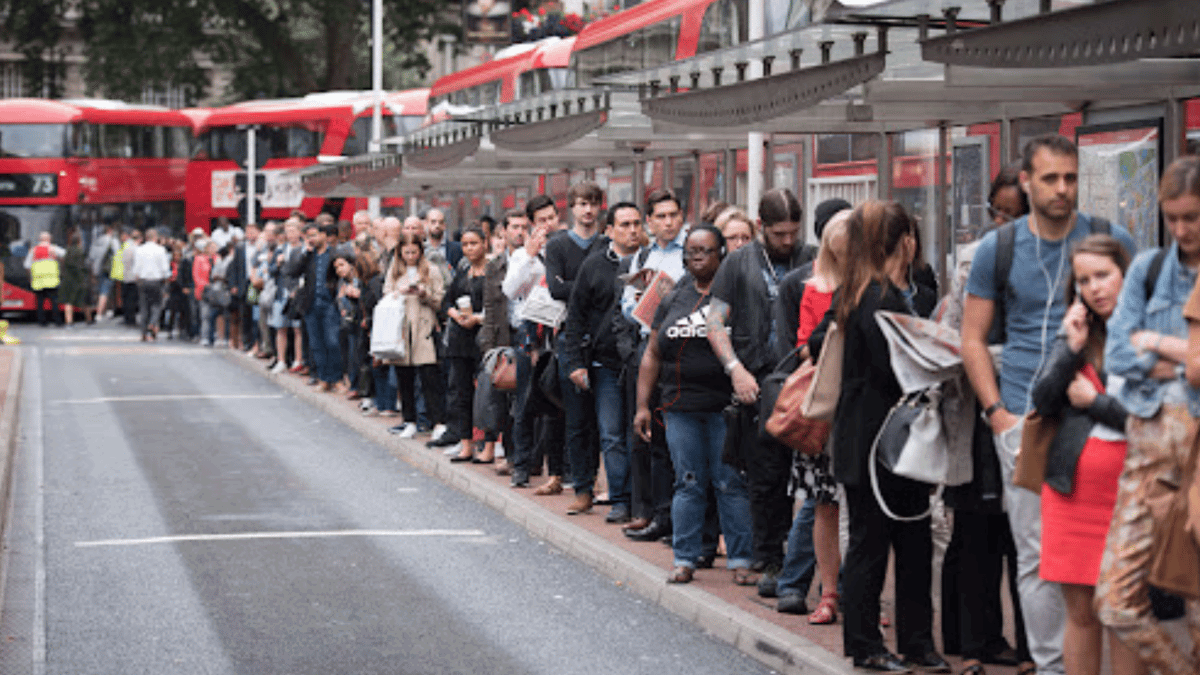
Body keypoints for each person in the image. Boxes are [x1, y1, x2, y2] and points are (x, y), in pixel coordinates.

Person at [961, 134, 1136, 675]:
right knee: (1038, 558)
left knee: (1115, 558)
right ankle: (1051, 666)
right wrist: (997, 414)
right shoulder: (1001, 247)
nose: (1063, 189)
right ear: (1026, 182)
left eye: (1071, 177)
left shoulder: (1109, 239)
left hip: (1102, 417)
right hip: (1028, 418)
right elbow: (972, 335)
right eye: (1051, 178)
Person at [807, 200, 942, 673]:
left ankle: (917, 641)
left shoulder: (911, 291)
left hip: (902, 439)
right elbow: (896, 368)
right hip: (872, 440)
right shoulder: (871, 297)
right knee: (871, 544)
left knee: (914, 541)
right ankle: (865, 644)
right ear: (901, 241)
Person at [1097, 155, 1200, 675]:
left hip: (1198, 453)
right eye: (1173, 216)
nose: (1181, 229)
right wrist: (1188, 358)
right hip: (1149, 449)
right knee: (1114, 600)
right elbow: (1116, 355)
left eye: (1192, 217)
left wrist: (1159, 346)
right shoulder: (1149, 268)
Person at [1026, 234, 1141, 675]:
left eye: (1104, 276)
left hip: (1132, 497)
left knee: (1125, 615)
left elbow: (1150, 422)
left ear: (1124, 274)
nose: (1095, 288)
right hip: (1072, 494)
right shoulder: (1078, 334)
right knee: (1081, 614)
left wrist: (1094, 403)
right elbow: (1044, 400)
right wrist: (1070, 348)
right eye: (1085, 280)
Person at [940, 164, 1031, 674]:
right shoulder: (974, 261)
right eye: (997, 211)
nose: (1001, 222)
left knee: (1020, 536)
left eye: (1013, 214)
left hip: (1028, 410)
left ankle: (1023, 644)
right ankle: (975, 641)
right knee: (975, 531)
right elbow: (955, 333)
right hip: (977, 413)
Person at [705, 187, 816, 581]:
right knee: (765, 476)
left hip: (803, 382)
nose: (787, 241)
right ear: (760, 226)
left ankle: (800, 560)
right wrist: (735, 367)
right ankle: (768, 557)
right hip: (758, 380)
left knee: (807, 477)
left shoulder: (813, 258)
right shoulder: (738, 262)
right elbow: (714, 321)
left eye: (793, 233)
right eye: (778, 234)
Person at [635, 224, 755, 586]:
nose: (697, 257)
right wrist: (643, 405)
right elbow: (652, 353)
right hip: (678, 406)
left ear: (722, 254)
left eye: (705, 250)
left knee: (729, 481)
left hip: (725, 408)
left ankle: (741, 559)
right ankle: (684, 559)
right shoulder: (671, 297)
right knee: (688, 481)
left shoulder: (736, 295)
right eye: (691, 251)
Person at [773, 209, 850, 620]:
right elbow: (804, 347)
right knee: (822, 504)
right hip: (824, 409)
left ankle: (851, 590)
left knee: (852, 509)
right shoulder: (813, 289)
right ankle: (829, 592)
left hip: (860, 407)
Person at [561, 201, 643, 521]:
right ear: (609, 231)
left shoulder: (650, 263)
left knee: (635, 433)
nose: (632, 230)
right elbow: (576, 317)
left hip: (642, 363)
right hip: (605, 363)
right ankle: (621, 499)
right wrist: (575, 362)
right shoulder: (594, 265)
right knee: (610, 433)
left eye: (636, 223)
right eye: (624, 224)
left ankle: (640, 500)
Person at [621, 189, 688, 543]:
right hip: (649, 351)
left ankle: (682, 519)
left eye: (673, 214)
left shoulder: (693, 252)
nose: (668, 222)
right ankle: (658, 515)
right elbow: (625, 309)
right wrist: (637, 299)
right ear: (650, 221)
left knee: (679, 441)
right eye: (660, 216)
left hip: (683, 351)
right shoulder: (642, 256)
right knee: (648, 436)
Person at [545, 181, 607, 515]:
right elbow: (555, 290)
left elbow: (610, 288)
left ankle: (603, 483)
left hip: (605, 340)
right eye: (582, 203)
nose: (587, 209)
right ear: (572, 206)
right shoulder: (557, 246)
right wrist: (592, 289)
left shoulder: (607, 244)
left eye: (593, 203)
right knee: (577, 419)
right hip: (571, 338)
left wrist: (576, 288)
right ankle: (582, 486)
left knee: (607, 421)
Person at [378, 234, 446, 436]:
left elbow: (439, 299)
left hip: (424, 328)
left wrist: (424, 294)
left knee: (429, 377)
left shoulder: (431, 270)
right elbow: (386, 294)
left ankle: (437, 421)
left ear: (420, 251)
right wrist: (399, 291)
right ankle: (409, 420)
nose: (410, 256)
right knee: (404, 378)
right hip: (400, 328)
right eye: (406, 252)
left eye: (414, 252)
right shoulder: (394, 270)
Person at [479, 209, 528, 480]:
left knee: (526, 400)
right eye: (515, 227)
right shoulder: (495, 265)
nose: (520, 232)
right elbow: (489, 308)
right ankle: (508, 453)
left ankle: (523, 458)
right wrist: (487, 347)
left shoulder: (537, 260)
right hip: (503, 336)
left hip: (529, 336)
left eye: (524, 227)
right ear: (504, 231)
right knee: (503, 398)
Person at [442, 228, 490, 462]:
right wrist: (456, 315)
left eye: (474, 243)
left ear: (484, 244)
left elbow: (497, 307)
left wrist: (477, 318)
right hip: (460, 339)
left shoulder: (493, 271)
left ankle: (489, 445)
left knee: (488, 393)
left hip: (484, 338)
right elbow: (447, 300)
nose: (469, 248)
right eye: (465, 244)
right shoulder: (462, 271)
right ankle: (466, 444)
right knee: (462, 392)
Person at [299, 223, 342, 392]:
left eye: (315, 234)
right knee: (316, 343)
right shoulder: (308, 255)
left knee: (332, 342)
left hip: (329, 303)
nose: (312, 238)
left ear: (324, 235)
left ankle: (336, 378)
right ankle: (323, 378)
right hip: (311, 304)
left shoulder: (334, 254)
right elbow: (292, 270)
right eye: (309, 236)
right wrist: (306, 253)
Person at [270, 218, 306, 373]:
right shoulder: (280, 249)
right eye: (288, 230)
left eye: (293, 230)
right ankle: (281, 360)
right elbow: (271, 271)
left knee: (297, 329)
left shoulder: (305, 249)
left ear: (299, 231)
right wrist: (277, 263)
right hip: (281, 293)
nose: (290, 234)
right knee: (281, 327)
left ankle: (298, 360)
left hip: (297, 293)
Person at [132, 228, 171, 341]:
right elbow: (165, 268)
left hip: (143, 281)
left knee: (144, 307)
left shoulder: (139, 249)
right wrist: (167, 277)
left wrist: (137, 278)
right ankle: (152, 324)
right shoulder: (161, 250)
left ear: (146, 237)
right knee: (157, 305)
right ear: (156, 238)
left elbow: (136, 269)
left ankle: (144, 333)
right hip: (156, 281)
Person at [25, 231, 64, 327]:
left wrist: (31, 277)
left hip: (38, 281)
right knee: (54, 302)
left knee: (40, 302)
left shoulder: (33, 250)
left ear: (39, 240)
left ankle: (42, 322)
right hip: (52, 281)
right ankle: (57, 321)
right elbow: (65, 255)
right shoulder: (53, 249)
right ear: (49, 239)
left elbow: (26, 265)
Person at [59, 229, 89, 327]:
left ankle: (69, 322)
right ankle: (88, 319)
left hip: (68, 279)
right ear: (79, 241)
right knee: (83, 300)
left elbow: (64, 265)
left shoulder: (68, 250)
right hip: (77, 280)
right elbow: (80, 267)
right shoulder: (79, 251)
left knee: (69, 301)